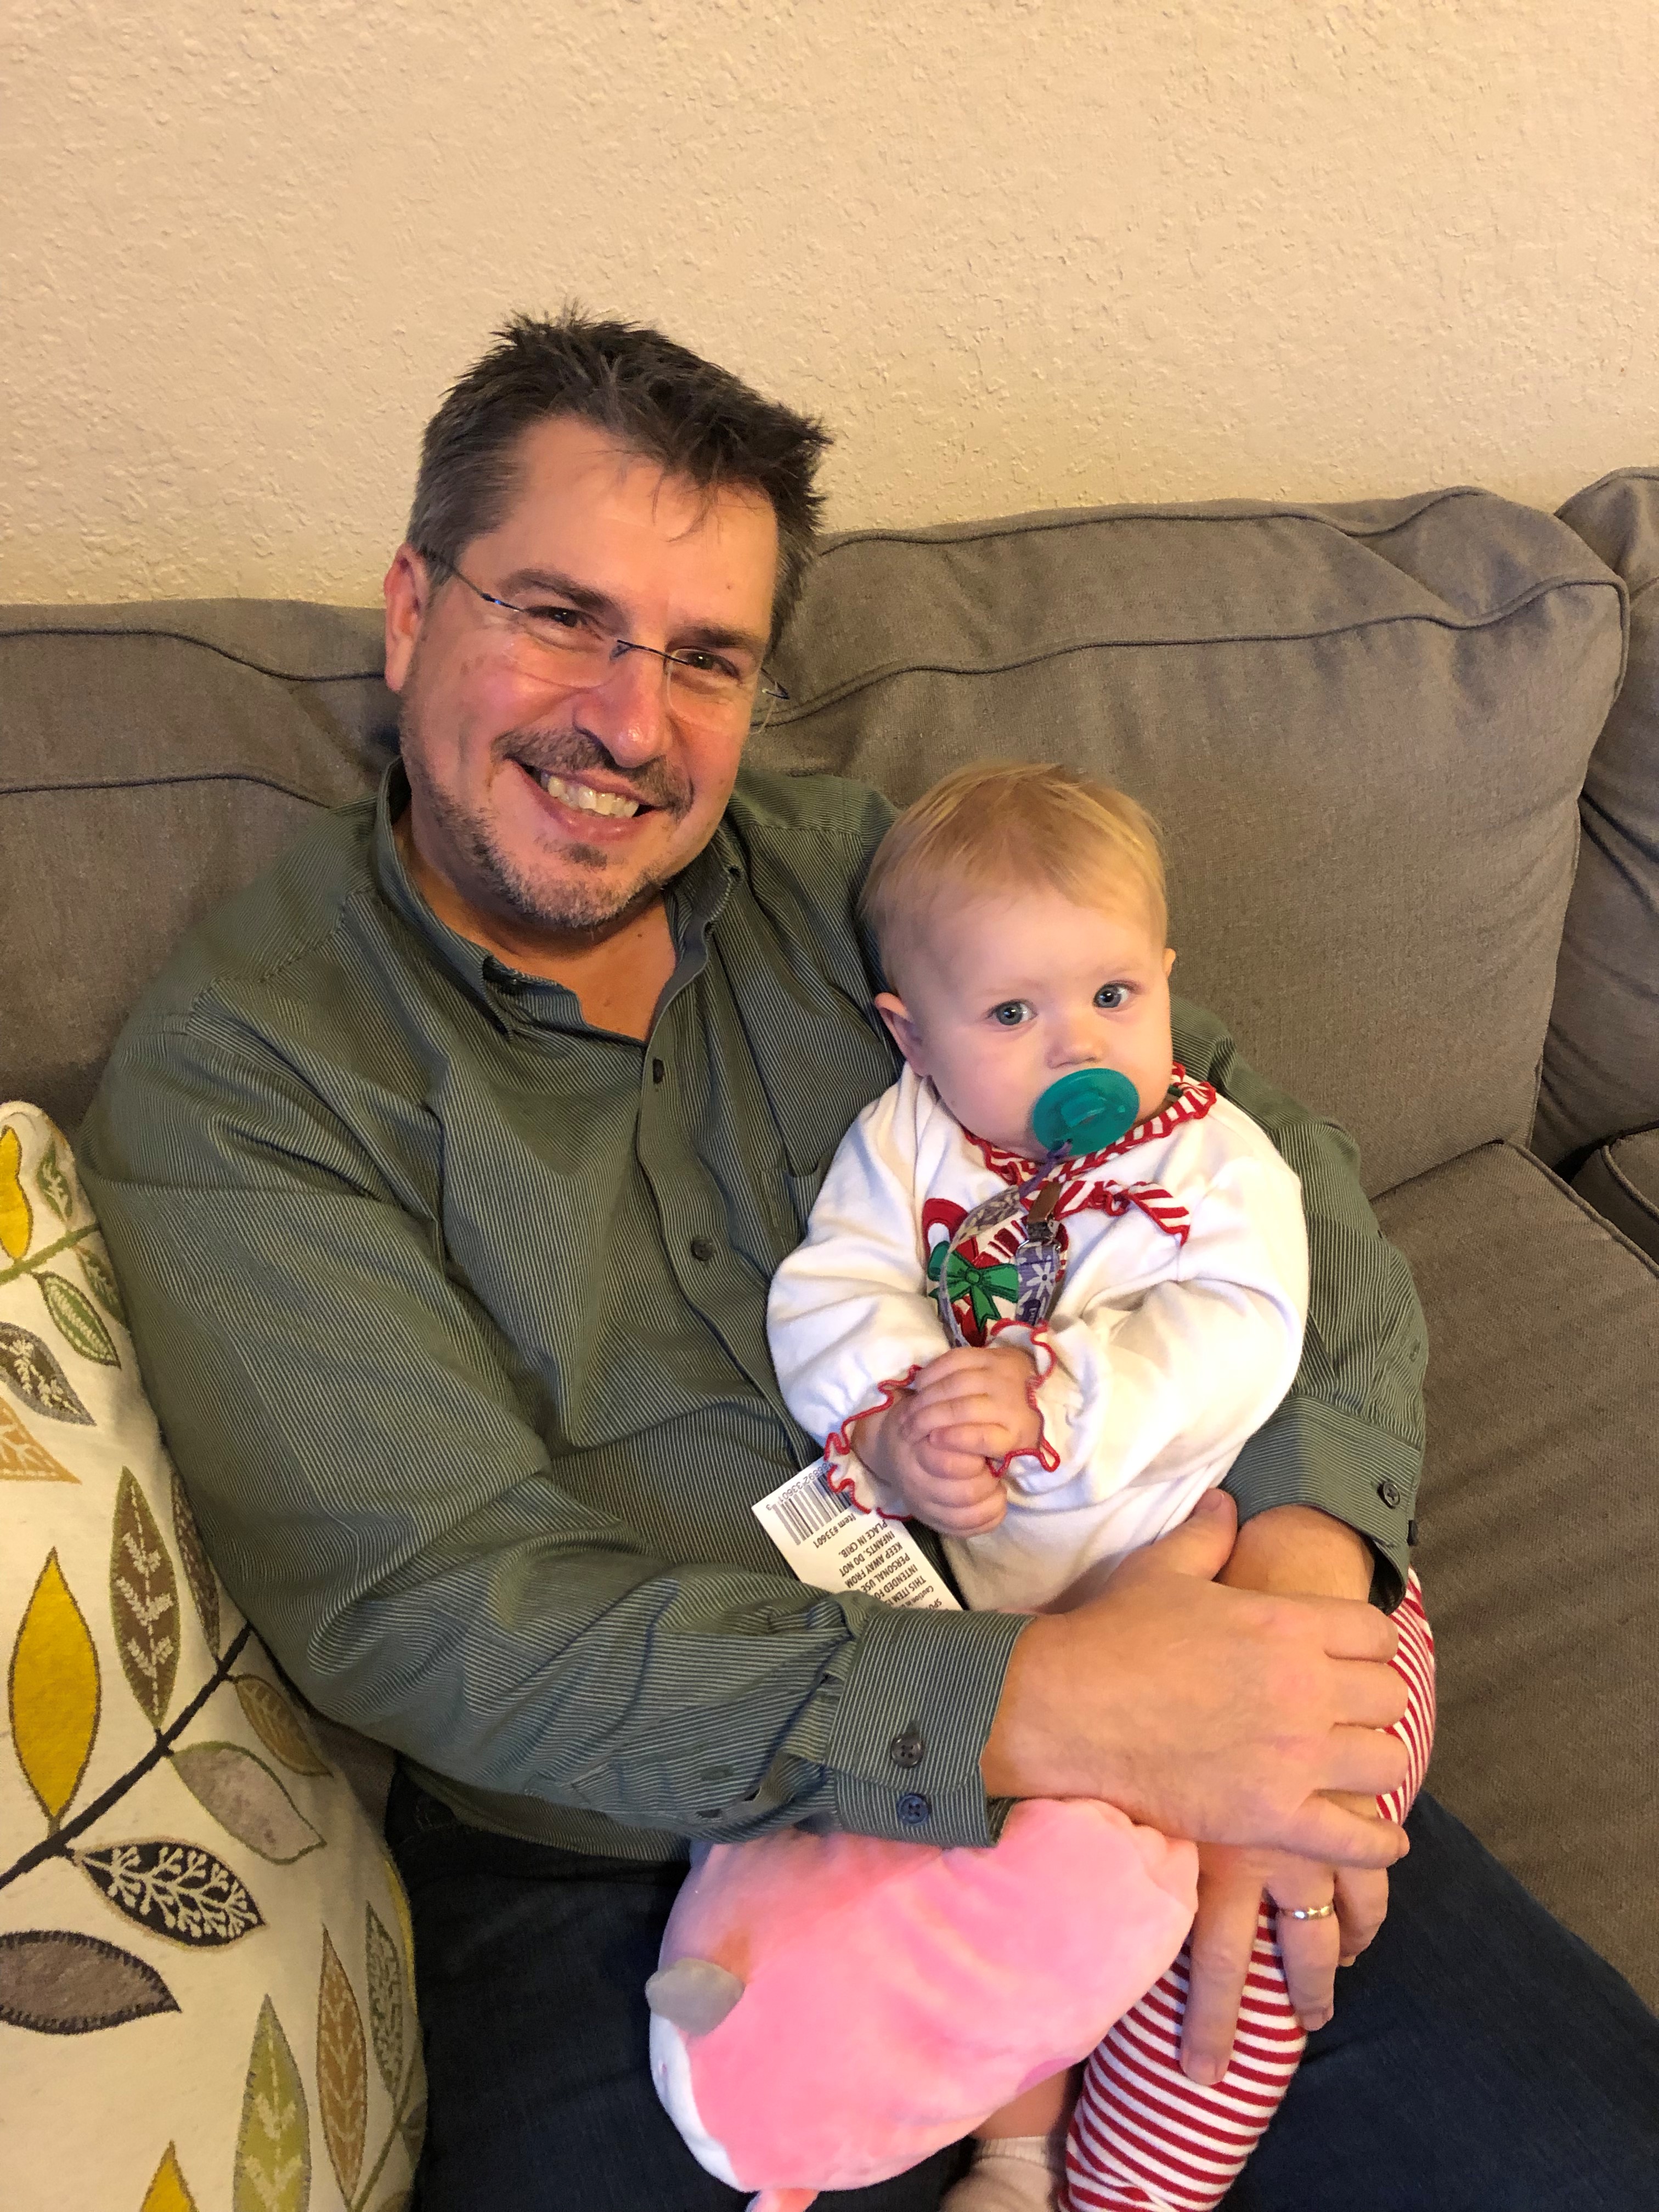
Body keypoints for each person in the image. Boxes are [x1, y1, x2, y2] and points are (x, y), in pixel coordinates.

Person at [77, 311, 1659, 2210]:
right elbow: (440, 1613)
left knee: (1586, 2160)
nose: (631, 724)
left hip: (1158, 1671)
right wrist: (1070, 1705)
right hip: (638, 1845)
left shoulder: (878, 883)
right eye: (562, 617)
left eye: (707, 657)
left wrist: (1287, 1653)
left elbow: (1271, 1188)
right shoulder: (251, 1072)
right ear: (412, 613)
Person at [761, 759, 1434, 2210]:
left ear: (1167, 982)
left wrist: (1057, 1401)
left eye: (1115, 996)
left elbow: (1248, 1328)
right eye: (1013, 1015)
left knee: (1259, 1934)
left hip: (1239, 1577)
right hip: (1027, 1632)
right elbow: (831, 1291)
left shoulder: (1212, 1155)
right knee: (1006, 1881)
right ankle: (1015, 2157)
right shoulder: (906, 1143)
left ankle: (1137, 2187)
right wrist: (900, 1423)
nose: (1079, 1043)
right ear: (912, 1032)